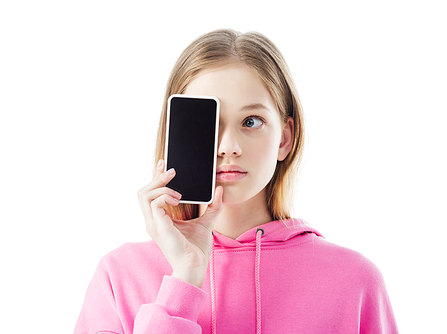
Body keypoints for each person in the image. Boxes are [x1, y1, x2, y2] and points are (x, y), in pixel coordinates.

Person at [73, 29, 398, 334]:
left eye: (251, 121)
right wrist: (183, 280)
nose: (228, 146)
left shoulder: (355, 281)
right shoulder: (119, 276)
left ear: (285, 138)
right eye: (208, 122)